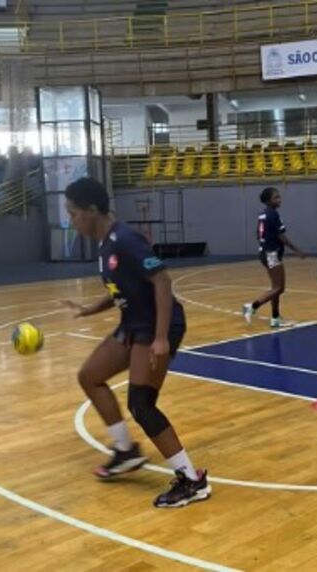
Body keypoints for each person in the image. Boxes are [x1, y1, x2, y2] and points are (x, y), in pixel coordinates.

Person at [62, 177, 210, 508]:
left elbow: (161, 280)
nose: (72, 221)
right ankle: (126, 450)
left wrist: (160, 339)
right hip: (133, 324)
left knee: (142, 405)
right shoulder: (105, 245)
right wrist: (91, 308)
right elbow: (122, 288)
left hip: (158, 326)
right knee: (89, 376)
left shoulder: (126, 239)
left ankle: (192, 481)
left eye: (73, 213)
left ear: (92, 210)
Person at [242, 186, 305, 328]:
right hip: (271, 254)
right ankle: (251, 307)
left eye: (279, 196)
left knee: (274, 287)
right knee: (279, 288)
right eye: (276, 197)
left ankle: (275, 319)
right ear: (268, 200)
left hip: (264, 252)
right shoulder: (273, 215)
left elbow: (258, 235)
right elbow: (282, 236)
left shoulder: (262, 215)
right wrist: (296, 250)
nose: (279, 199)